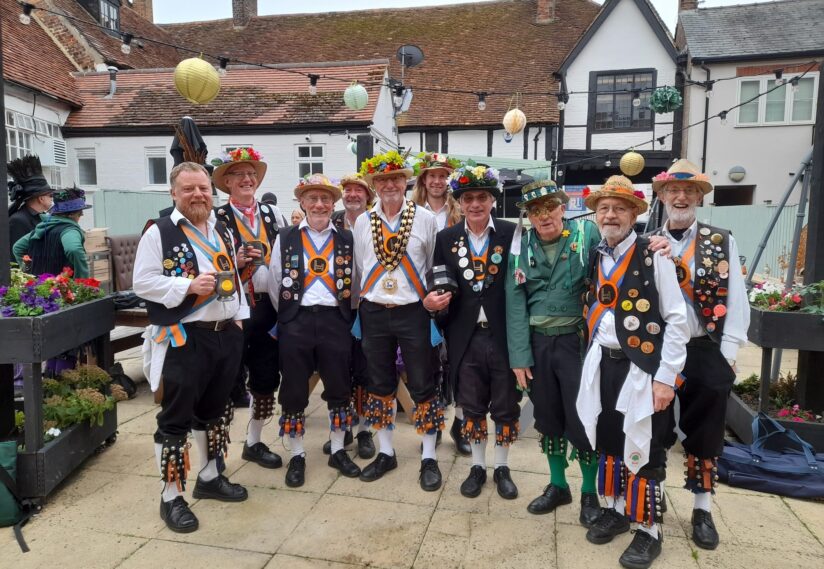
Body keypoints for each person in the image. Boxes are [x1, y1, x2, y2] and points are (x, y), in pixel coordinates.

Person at [575, 175, 689, 569]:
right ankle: (618, 509)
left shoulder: (655, 254)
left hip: (643, 367)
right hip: (603, 362)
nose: (610, 215)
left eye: (619, 208)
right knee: (609, 441)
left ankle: (649, 531)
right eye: (604, 208)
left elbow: (677, 320)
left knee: (648, 447)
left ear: (634, 214)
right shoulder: (595, 254)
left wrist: (665, 378)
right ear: (595, 215)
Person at [133, 162, 249, 534]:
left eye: (203, 188)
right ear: (173, 193)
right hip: (185, 337)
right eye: (189, 189)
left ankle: (210, 476)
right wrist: (187, 286)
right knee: (175, 418)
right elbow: (143, 283)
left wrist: (240, 316)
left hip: (225, 333)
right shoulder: (159, 232)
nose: (198, 195)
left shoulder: (222, 230)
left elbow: (233, 277)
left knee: (216, 411)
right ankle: (170, 497)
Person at [651, 159, 749, 551]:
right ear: (660, 197)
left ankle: (702, 508)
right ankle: (652, 497)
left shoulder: (721, 240)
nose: (680, 197)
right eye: (673, 191)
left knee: (707, 431)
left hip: (707, 348)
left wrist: (728, 353)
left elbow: (736, 299)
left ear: (699, 198)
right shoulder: (648, 241)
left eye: (689, 191)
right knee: (656, 428)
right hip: (660, 352)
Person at [505, 179, 603, 524]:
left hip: (576, 342)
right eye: (535, 211)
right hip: (538, 343)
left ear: (564, 207)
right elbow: (515, 304)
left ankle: (590, 492)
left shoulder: (587, 234)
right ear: (528, 216)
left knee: (584, 418)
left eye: (550, 207)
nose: (543, 216)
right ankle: (558, 485)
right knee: (548, 417)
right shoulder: (520, 246)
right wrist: (519, 357)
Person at [424, 164, 520, 499]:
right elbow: (437, 280)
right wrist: (433, 302)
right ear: (460, 203)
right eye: (468, 198)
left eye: (482, 197)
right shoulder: (446, 238)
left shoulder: (512, 233)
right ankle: (478, 466)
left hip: (504, 336)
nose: (475, 204)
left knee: (506, 405)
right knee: (472, 404)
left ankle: (503, 467)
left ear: (492, 200)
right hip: (465, 337)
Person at [353, 150, 443, 491]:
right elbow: (361, 271)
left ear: (404, 182)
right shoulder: (363, 221)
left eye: (395, 178)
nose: (389, 185)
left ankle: (430, 457)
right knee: (379, 385)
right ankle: (386, 453)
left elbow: (434, 266)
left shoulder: (424, 219)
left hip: (413, 312)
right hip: (374, 312)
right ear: (374, 184)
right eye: (382, 179)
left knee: (423, 384)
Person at [267, 174, 359, 487]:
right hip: (297, 320)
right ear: (302, 203)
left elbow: (356, 280)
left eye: (325, 199)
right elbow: (274, 282)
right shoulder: (286, 236)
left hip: (335, 320)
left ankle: (337, 449)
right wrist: (290, 317)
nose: (319, 204)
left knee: (339, 387)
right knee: (293, 388)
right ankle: (297, 454)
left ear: (333, 203)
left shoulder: (346, 238)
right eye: (312, 199)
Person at [212, 148, 283, 471]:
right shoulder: (216, 219)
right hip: (233, 312)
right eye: (239, 174)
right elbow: (209, 267)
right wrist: (233, 264)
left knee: (266, 377)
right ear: (226, 182)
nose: (247, 179)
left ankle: (254, 442)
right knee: (227, 379)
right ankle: (216, 449)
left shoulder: (272, 214)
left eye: (251, 174)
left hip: (269, 308)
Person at [411, 152, 470, 456]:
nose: (437, 181)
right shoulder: (410, 211)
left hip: (456, 297)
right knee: (428, 366)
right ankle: (431, 426)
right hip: (419, 299)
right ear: (423, 180)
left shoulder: (460, 211)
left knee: (459, 361)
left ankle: (460, 425)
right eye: (431, 175)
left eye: (442, 175)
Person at [323, 173, 377, 460]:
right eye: (348, 190)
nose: (353, 194)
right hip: (337, 307)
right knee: (338, 369)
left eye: (359, 190)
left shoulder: (376, 223)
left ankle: (365, 430)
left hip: (369, 305)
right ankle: (343, 426)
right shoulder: (330, 223)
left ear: (368, 197)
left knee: (365, 369)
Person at [13, 187, 91, 278]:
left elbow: (17, 248)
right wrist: (82, 279)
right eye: (80, 214)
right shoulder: (70, 230)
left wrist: (27, 269)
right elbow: (73, 249)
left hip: (38, 287)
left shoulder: (42, 228)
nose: (80, 217)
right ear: (71, 214)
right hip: (63, 288)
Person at [7, 155, 54, 257]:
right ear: (41, 199)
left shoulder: (42, 217)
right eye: (50, 195)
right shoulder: (18, 220)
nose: (52, 198)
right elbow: (15, 258)